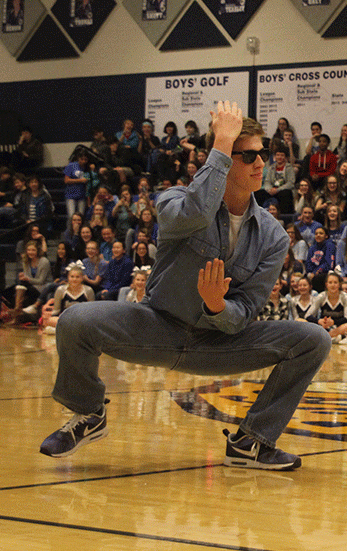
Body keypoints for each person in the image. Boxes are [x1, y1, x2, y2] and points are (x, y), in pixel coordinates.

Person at [39, 101, 331, 471]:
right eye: (249, 155)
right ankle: (88, 414)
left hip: (218, 341)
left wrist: (217, 306)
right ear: (222, 157)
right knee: (75, 320)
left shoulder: (273, 236)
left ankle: (252, 442)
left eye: (263, 154)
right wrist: (222, 144)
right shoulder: (175, 200)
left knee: (313, 339)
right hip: (156, 327)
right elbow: (196, 212)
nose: (261, 163)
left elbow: (244, 312)